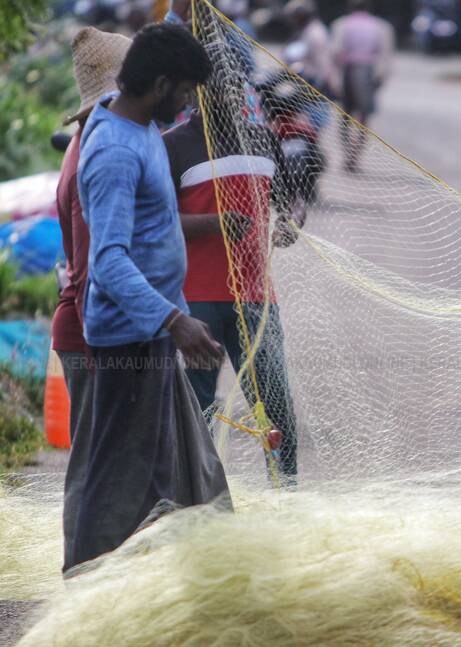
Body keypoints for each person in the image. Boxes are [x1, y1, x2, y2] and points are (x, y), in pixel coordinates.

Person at [69, 23, 229, 572]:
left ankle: (147, 585)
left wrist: (175, 320)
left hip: (153, 332)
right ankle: (87, 592)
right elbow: (108, 260)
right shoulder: (114, 150)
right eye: (184, 91)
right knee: (117, 480)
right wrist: (175, 321)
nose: (187, 104)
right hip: (128, 341)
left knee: (162, 475)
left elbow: (152, 233)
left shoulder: (135, 125)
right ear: (159, 84)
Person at [163, 83, 301, 482]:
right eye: (214, 86)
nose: (227, 93)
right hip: (197, 304)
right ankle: (196, 500)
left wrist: (291, 221)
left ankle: (286, 493)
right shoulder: (174, 146)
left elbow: (291, 200)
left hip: (257, 300)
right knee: (198, 406)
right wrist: (213, 223)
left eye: (233, 83)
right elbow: (156, 222)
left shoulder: (262, 140)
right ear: (192, 94)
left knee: (276, 405)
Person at [51, 26, 132, 573]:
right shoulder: (95, 156)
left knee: (101, 461)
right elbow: (97, 266)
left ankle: (97, 569)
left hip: (85, 328)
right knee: (96, 466)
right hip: (91, 332)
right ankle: (84, 574)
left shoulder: (88, 143)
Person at [331, 0, 395, 172]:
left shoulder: (342, 24)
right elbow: (386, 56)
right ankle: (356, 155)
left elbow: (336, 52)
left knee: (345, 116)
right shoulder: (381, 26)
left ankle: (347, 154)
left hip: (348, 71)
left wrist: (334, 79)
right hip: (368, 73)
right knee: (364, 118)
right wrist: (381, 79)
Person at [284, 0, 333, 94]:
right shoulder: (305, 30)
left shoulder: (315, 32)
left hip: (315, 83)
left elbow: (322, 62)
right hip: (307, 81)